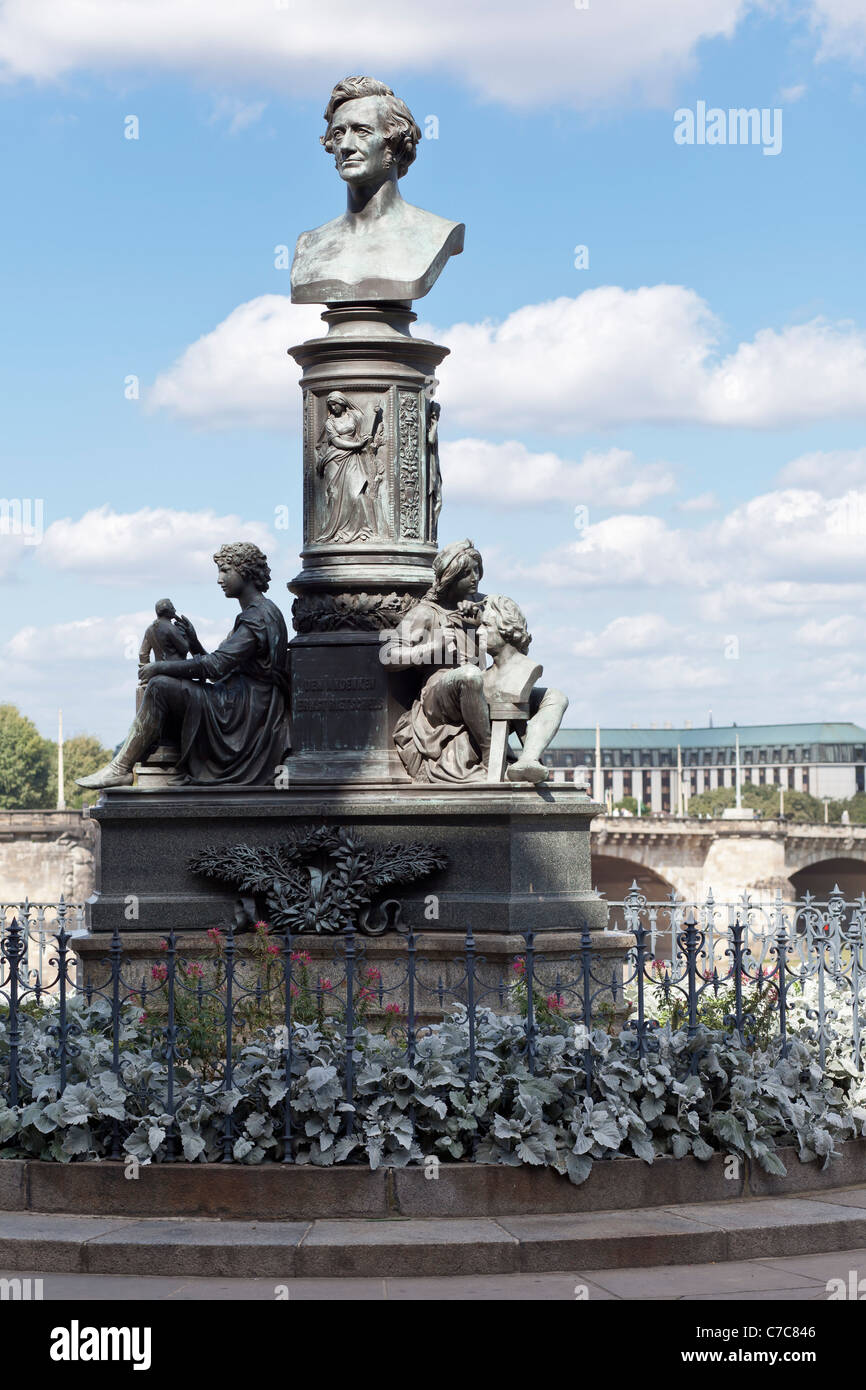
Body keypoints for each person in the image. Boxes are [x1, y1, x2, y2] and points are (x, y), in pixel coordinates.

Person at [77, 543, 290, 788]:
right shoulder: (263, 612)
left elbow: (215, 667)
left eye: (225, 570)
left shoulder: (257, 618)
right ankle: (124, 767)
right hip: (245, 703)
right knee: (168, 685)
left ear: (245, 571)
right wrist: (196, 644)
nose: (219, 579)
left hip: (242, 712)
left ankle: (121, 768)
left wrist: (159, 668)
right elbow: (225, 666)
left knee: (159, 686)